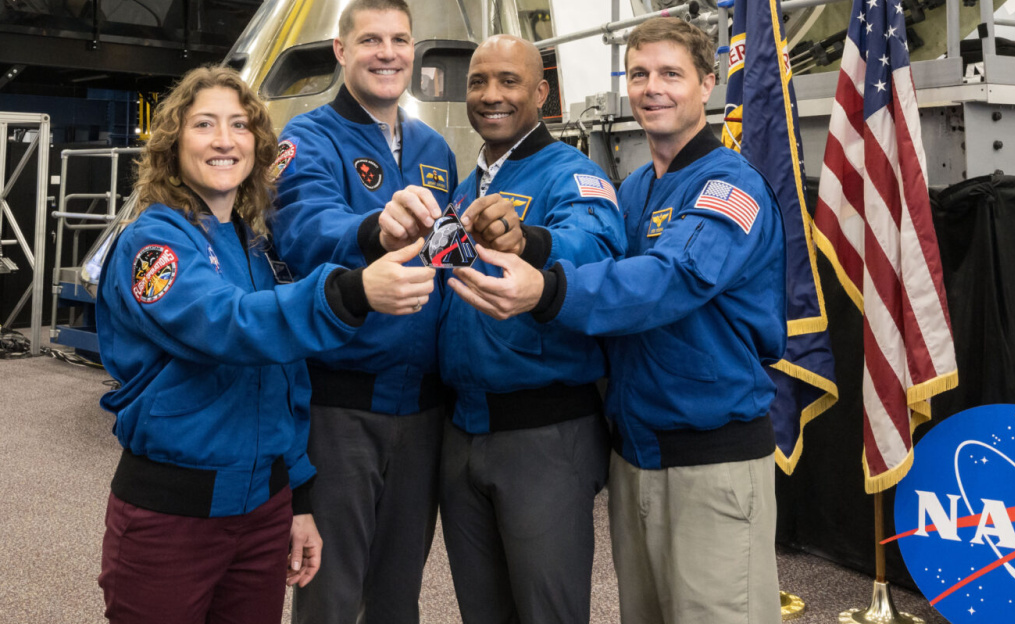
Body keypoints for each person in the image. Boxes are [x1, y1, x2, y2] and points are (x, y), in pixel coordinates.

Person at [447, 17, 786, 624]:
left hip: (710, 460)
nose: (652, 88)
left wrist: (546, 291)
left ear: (707, 83)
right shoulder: (634, 193)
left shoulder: (730, 187)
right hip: (637, 457)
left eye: (671, 74)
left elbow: (668, 280)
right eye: (639, 74)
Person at [94, 66, 435, 624]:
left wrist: (298, 501)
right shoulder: (153, 242)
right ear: (174, 142)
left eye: (239, 126)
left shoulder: (258, 249)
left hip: (262, 514)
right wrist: (350, 291)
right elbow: (227, 324)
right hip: (171, 513)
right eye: (204, 124)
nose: (224, 140)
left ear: (257, 144)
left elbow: (288, 380)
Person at [382, 34, 625, 623]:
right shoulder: (467, 186)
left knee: (547, 612)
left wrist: (532, 241)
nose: (491, 95)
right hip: (463, 434)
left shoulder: (572, 175)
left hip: (542, 435)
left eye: (509, 82)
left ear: (542, 93)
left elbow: (595, 246)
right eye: (478, 82)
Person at [270, 1, 457, 622]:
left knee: (399, 595)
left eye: (400, 39)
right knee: (330, 593)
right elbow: (304, 228)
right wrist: (374, 228)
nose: (388, 53)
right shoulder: (307, 138)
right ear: (341, 52)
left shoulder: (435, 149)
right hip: (343, 404)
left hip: (425, 409)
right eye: (371, 39)